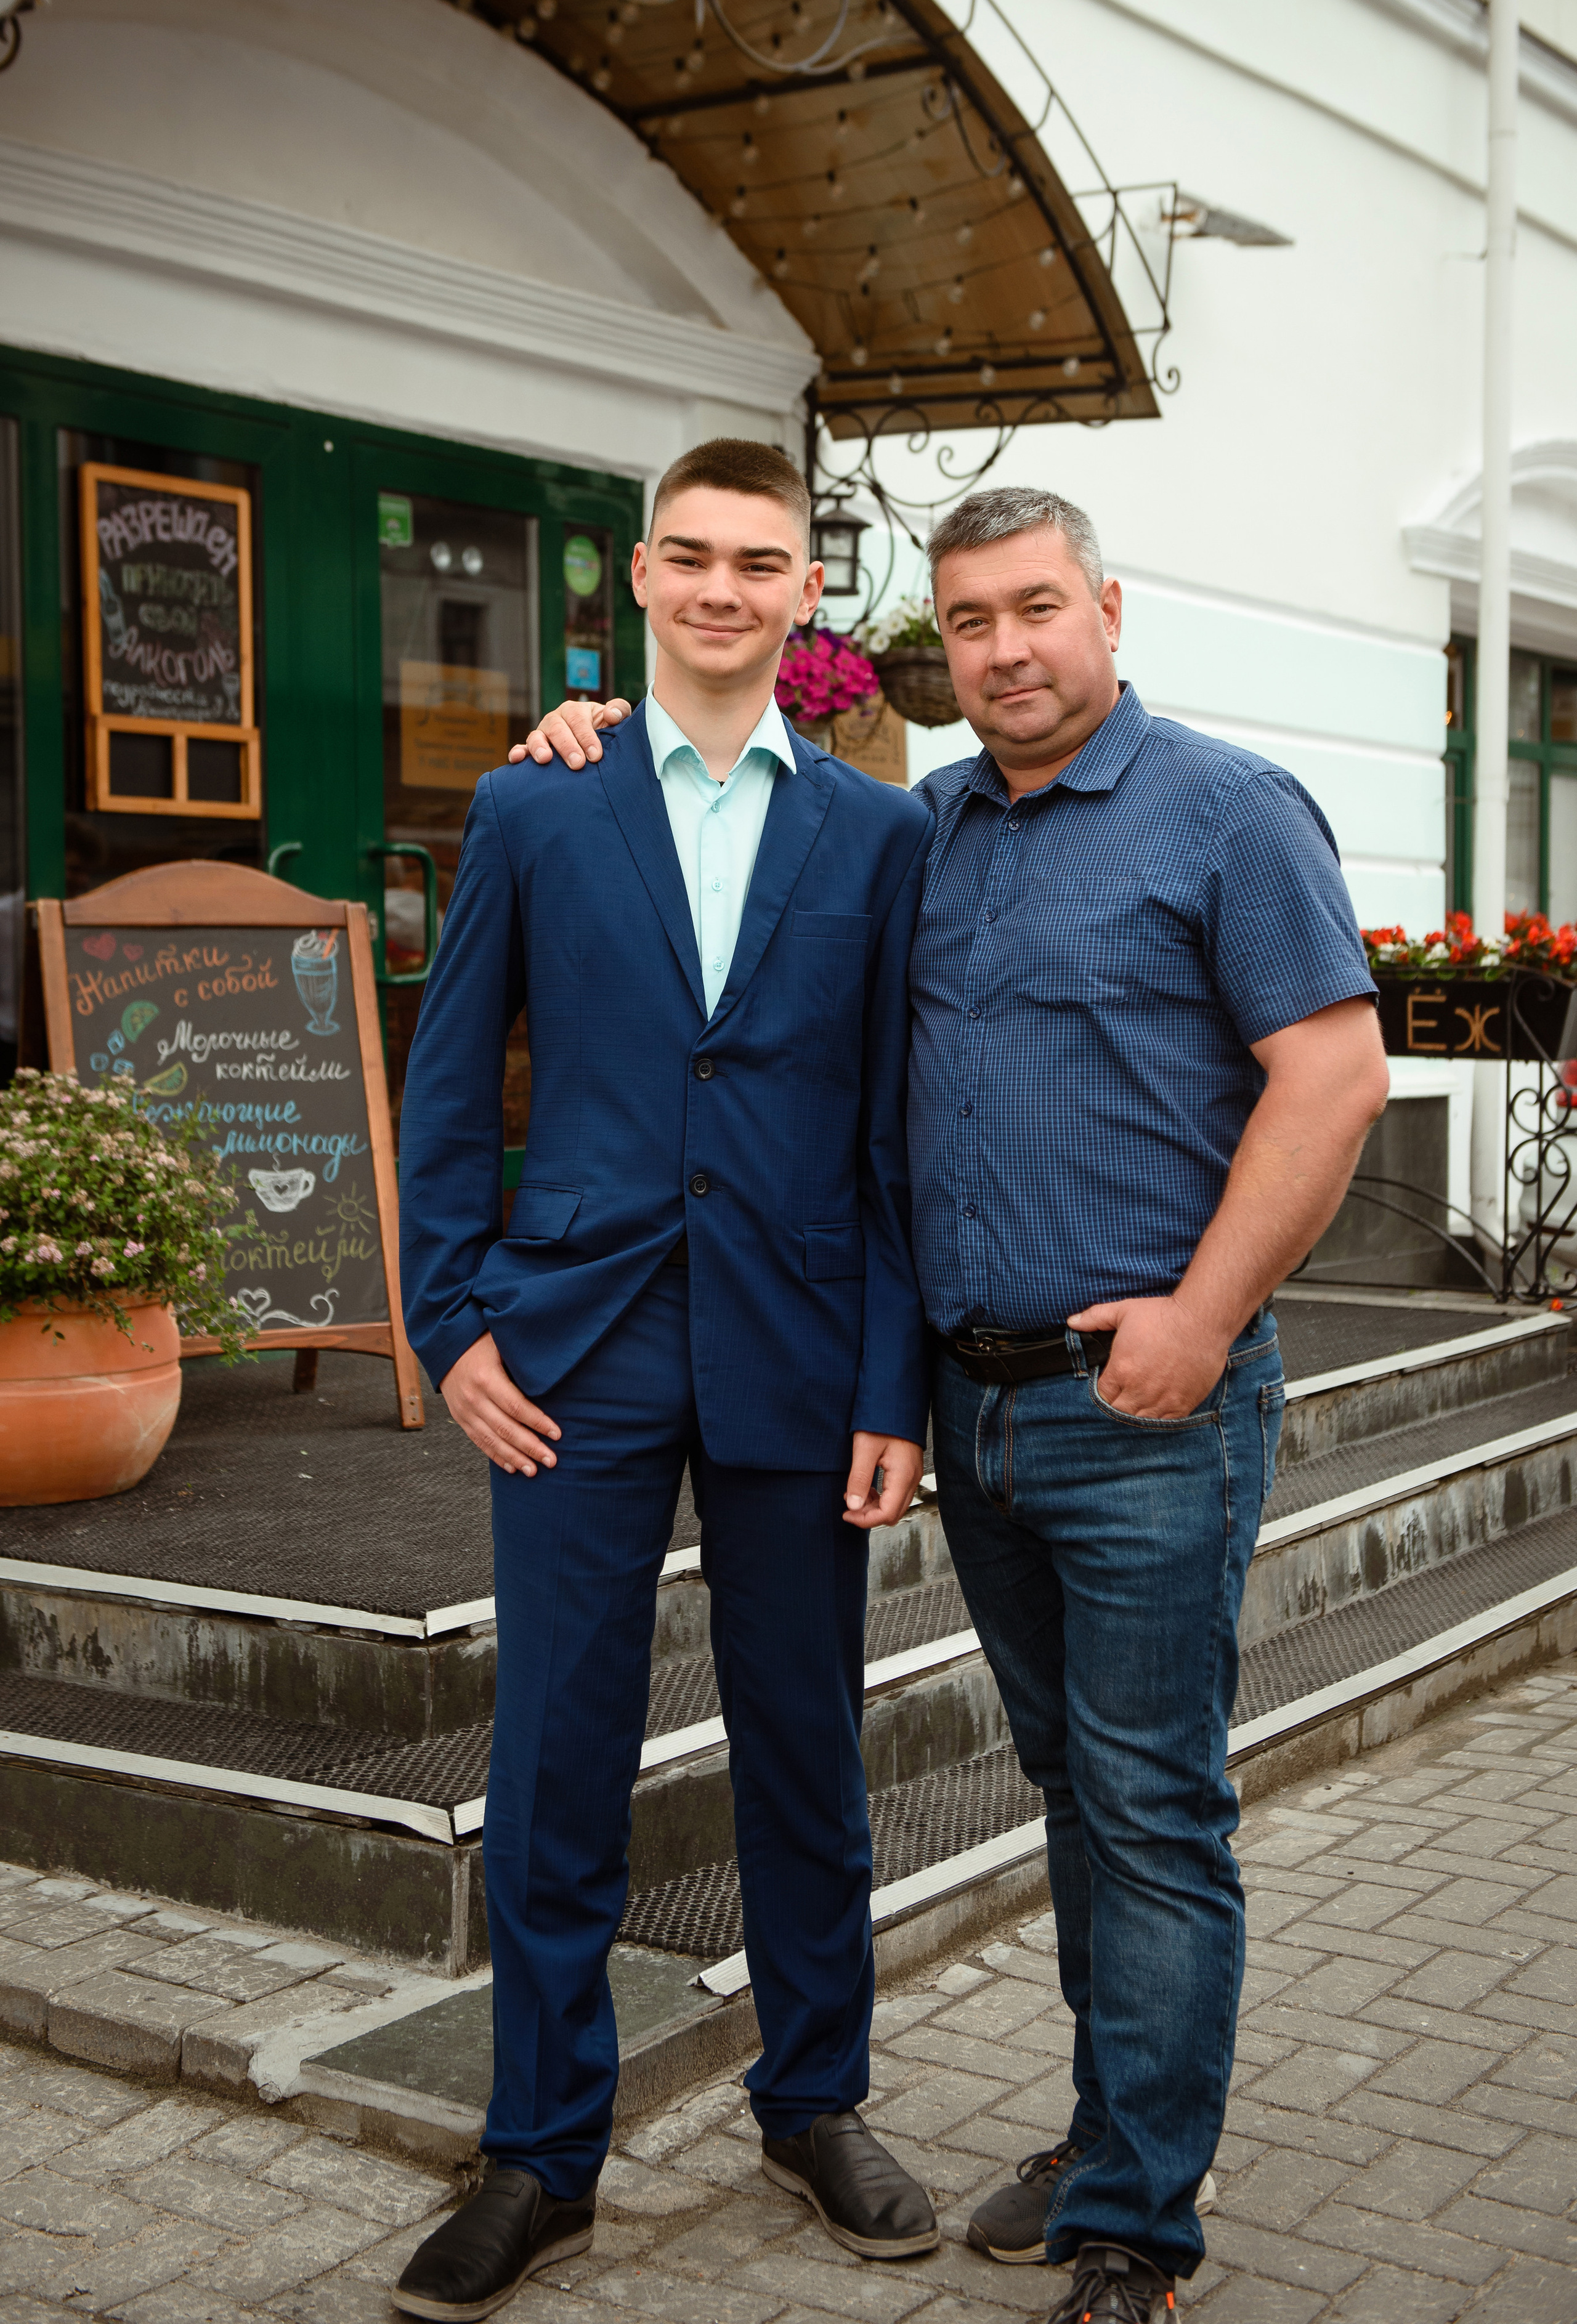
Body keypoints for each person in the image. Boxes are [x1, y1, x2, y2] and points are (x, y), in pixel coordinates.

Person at [515, 482, 1389, 2324]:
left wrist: (1204, 1318)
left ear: (1110, 609)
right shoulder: (928, 827)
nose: (1005, 647)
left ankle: (1139, 2224)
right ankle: (1103, 2138)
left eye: (1038, 607)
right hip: (975, 1407)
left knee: (1154, 1803)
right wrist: (586, 735)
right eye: (972, 618)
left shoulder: (1226, 811)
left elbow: (1334, 1075)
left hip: (1147, 1399)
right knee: (1078, 1790)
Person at [394, 439, 941, 2323]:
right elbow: (452, 1084)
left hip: (800, 1358)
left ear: (809, 595)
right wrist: (449, 1326)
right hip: (574, 1351)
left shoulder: (885, 835)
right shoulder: (539, 806)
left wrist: (897, 1382)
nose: (723, 587)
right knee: (556, 1760)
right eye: (691, 557)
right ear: (637, 577)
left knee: (809, 1746)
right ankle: (540, 2155)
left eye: (761, 561)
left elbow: (891, 1139)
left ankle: (815, 2099)